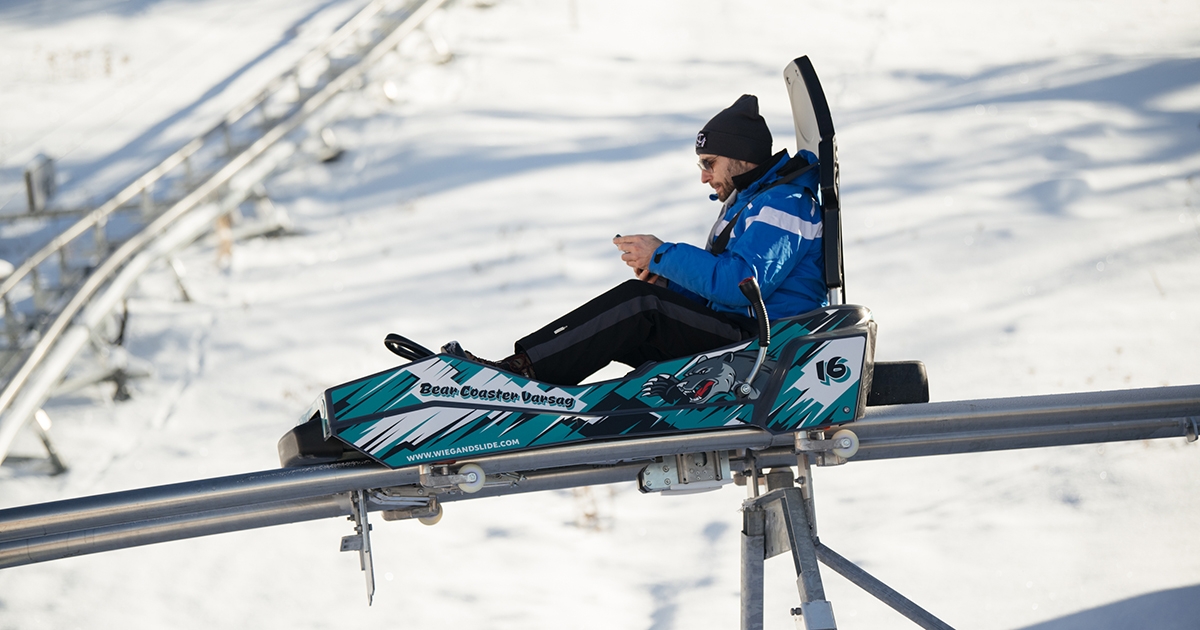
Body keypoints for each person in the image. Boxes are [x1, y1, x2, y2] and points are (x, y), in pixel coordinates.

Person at [444, 94, 827, 386]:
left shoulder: (784, 204)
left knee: (640, 306)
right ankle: (531, 385)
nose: (704, 177)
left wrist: (661, 255)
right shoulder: (754, 202)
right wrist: (668, 282)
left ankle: (519, 376)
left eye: (709, 163)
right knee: (631, 317)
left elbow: (740, 286)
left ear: (740, 157)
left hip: (767, 347)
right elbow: (724, 293)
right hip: (745, 335)